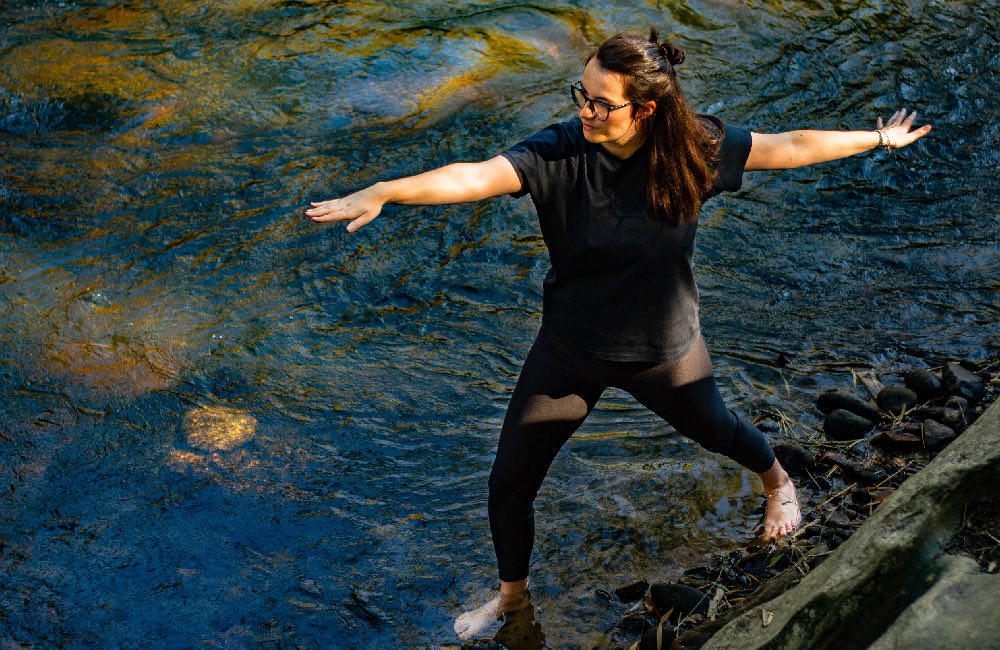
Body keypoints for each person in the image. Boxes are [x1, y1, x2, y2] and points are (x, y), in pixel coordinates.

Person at [304, 29, 932, 642]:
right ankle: (511, 600)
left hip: (665, 351)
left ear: (646, 109)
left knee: (717, 429)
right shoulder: (559, 151)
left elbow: (789, 145)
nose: (585, 110)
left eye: (601, 103)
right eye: (580, 93)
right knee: (508, 485)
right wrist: (389, 190)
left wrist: (878, 138)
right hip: (570, 353)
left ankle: (779, 484)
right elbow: (473, 176)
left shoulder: (694, 145)